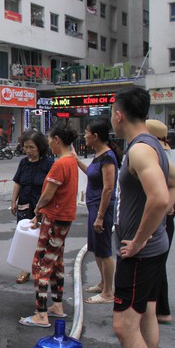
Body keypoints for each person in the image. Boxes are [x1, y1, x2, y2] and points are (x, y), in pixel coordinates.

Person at [100, 88, 175, 348]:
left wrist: (140, 239)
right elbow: (174, 184)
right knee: (147, 314)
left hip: (140, 253)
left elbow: (161, 197)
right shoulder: (153, 146)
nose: (111, 117)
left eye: (111, 112)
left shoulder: (140, 151)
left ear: (119, 115)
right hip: (154, 248)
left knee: (123, 325)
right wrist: (157, 223)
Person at [19, 123, 78, 328]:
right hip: (64, 217)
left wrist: (37, 211)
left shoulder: (60, 164)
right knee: (57, 262)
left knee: (41, 265)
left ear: (57, 140)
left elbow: (47, 194)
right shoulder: (71, 160)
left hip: (54, 218)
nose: (49, 143)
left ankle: (41, 314)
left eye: (50, 139)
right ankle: (57, 306)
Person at [75, 119, 122, 304]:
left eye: (86, 132)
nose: (84, 136)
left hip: (102, 208)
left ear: (95, 136)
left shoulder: (108, 157)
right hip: (94, 206)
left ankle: (109, 293)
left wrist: (101, 216)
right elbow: (92, 174)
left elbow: (108, 189)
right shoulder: (99, 155)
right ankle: (103, 283)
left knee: (104, 250)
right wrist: (77, 161)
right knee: (96, 248)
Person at [145, 119, 175, 324]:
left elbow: (163, 195)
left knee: (155, 263)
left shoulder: (157, 160)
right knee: (158, 263)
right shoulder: (163, 157)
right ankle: (160, 309)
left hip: (161, 219)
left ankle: (160, 310)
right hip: (164, 218)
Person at [10, 129, 55, 284]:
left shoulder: (48, 163)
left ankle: (43, 269)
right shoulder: (23, 163)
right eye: (26, 147)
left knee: (42, 240)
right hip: (24, 206)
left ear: (40, 147)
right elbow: (17, 182)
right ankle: (26, 269)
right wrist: (13, 200)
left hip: (41, 208)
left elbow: (52, 188)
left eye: (32, 147)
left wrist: (43, 209)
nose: (28, 151)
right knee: (25, 239)